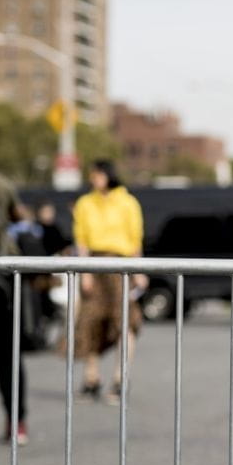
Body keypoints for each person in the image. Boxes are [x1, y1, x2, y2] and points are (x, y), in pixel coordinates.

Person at [72, 160, 146, 405]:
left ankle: (120, 379)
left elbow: (135, 239)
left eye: (97, 174)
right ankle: (91, 378)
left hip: (120, 265)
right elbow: (81, 239)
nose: (93, 179)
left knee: (126, 322)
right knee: (89, 321)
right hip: (93, 264)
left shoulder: (127, 202)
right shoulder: (85, 203)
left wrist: (138, 270)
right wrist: (85, 272)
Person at [0, 173, 28, 445]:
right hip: (3, 280)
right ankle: (17, 422)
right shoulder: (4, 184)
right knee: (9, 356)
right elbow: (20, 217)